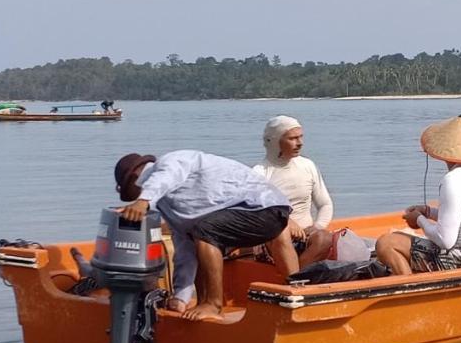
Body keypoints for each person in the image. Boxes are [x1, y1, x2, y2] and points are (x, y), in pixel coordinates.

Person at [115, 150, 298, 321]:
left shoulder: (169, 163)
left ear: (134, 177)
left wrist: (143, 201)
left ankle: (213, 304)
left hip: (266, 208)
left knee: (204, 231)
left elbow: (165, 177)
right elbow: (184, 251)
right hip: (253, 216)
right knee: (198, 237)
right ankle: (203, 304)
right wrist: (180, 297)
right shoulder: (168, 206)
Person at [375, 115, 461, 275]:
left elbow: (445, 240)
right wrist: (429, 212)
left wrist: (419, 220)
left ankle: (411, 290)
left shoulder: (454, 179)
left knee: (386, 243)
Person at [252, 115, 335, 266]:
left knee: (325, 238)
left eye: (301, 137)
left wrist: (317, 227)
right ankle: (296, 278)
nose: (300, 143)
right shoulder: (260, 172)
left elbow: (325, 204)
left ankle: (295, 277)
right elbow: (258, 212)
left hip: (308, 236)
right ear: (275, 142)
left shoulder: (307, 166)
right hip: (276, 239)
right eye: (293, 138)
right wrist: (287, 222)